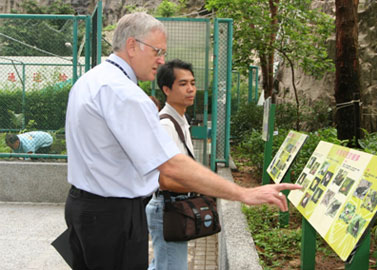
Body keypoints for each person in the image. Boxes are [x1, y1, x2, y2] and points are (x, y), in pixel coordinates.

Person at [63, 12, 301, 270]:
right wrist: (243, 193)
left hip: (83, 208)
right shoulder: (124, 93)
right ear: (132, 45)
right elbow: (172, 166)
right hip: (113, 217)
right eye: (157, 51)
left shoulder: (90, 80)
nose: (161, 60)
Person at [146, 59, 198, 270]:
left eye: (193, 83)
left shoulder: (181, 121)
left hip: (174, 206)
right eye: (183, 84)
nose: (191, 89)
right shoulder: (166, 124)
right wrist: (200, 185)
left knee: (162, 264)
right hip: (167, 207)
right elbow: (164, 179)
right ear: (166, 89)